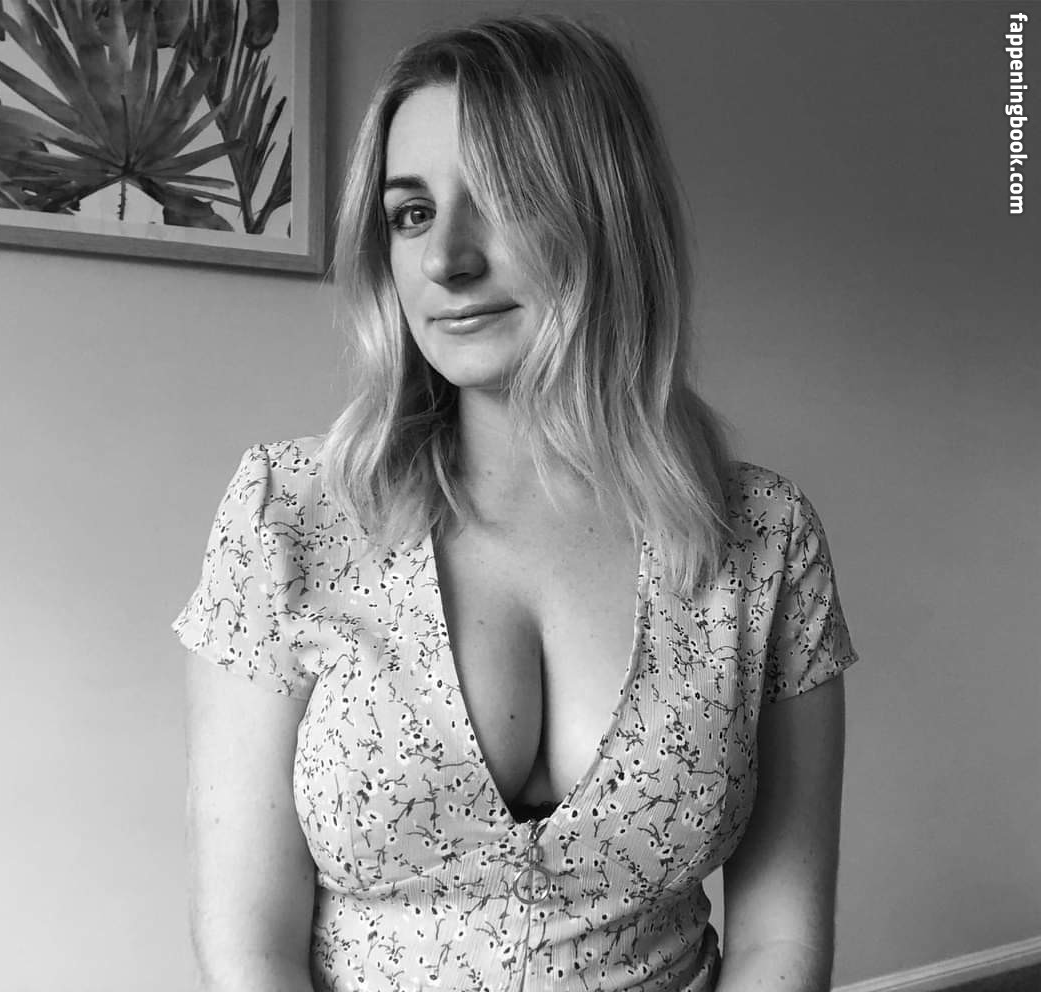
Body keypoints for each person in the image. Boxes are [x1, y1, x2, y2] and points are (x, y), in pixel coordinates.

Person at [173, 13, 859, 992]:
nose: (445, 259)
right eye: (412, 213)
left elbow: (779, 938)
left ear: (606, 215)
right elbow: (249, 947)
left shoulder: (766, 538)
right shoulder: (288, 516)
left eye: (500, 199)